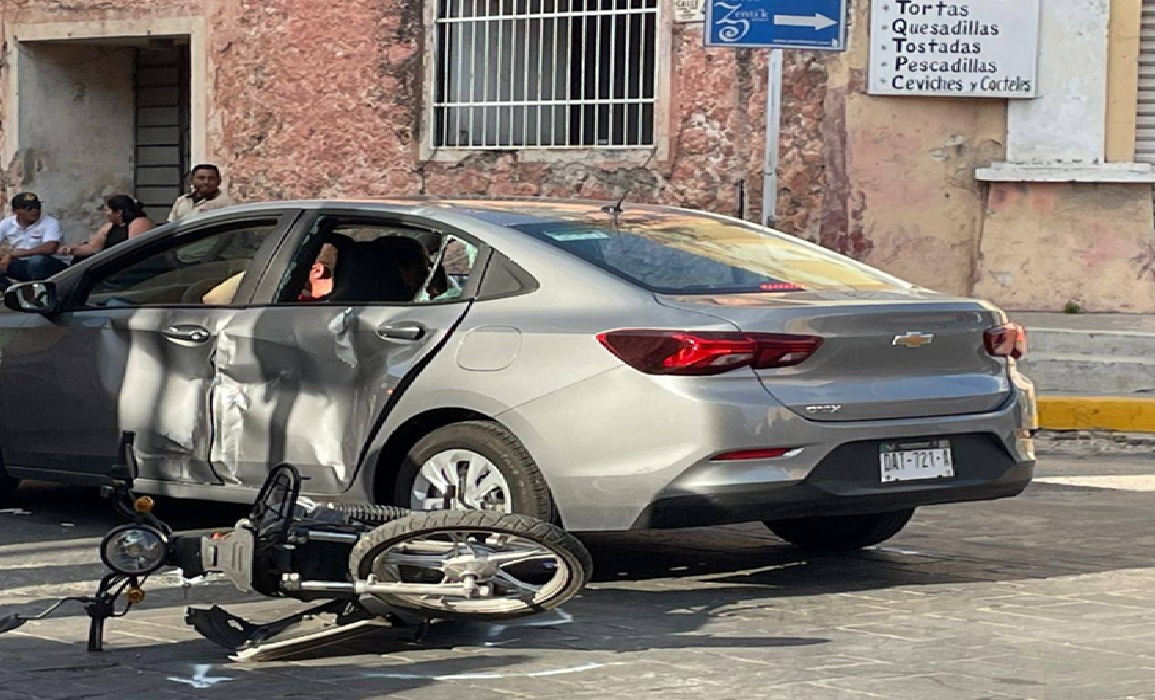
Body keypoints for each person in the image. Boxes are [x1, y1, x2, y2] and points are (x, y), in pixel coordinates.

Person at [0, 192, 67, 288]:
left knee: (37, 261)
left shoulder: (50, 222)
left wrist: (15, 254)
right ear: (15, 211)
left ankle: (40, 293)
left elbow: (50, 248)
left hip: (51, 264)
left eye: (37, 206)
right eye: (28, 208)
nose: (34, 210)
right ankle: (12, 293)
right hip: (23, 265)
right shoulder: (6, 223)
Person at [60, 195, 154, 261]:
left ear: (118, 212)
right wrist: (72, 250)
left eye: (107, 210)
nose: (105, 213)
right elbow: (94, 247)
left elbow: (133, 249)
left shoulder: (139, 222)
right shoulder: (110, 225)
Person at [167, 164, 234, 222]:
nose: (206, 182)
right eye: (201, 178)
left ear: (219, 181)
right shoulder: (182, 200)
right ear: (192, 180)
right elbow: (171, 224)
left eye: (211, 178)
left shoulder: (227, 204)